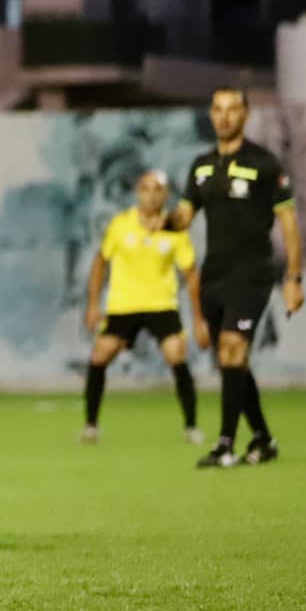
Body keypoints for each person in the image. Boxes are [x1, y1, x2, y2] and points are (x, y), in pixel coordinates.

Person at [169, 88, 303, 468]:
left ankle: (225, 445)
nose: (224, 116)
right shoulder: (201, 165)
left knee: (232, 348)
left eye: (232, 109)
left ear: (245, 115)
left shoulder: (264, 163)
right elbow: (184, 215)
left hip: (252, 272)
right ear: (211, 114)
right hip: (215, 274)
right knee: (233, 362)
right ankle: (262, 438)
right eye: (218, 109)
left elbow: (288, 222)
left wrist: (293, 278)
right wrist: (162, 221)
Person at [82, 170, 202, 444]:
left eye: (157, 189)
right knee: (100, 354)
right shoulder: (121, 225)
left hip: (161, 304)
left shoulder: (174, 230)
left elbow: (191, 273)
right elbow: (100, 263)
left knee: (176, 353)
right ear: (138, 192)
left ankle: (191, 426)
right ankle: (90, 425)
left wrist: (199, 318)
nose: (151, 195)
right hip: (124, 305)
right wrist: (93, 305)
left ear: (166, 195)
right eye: (145, 189)